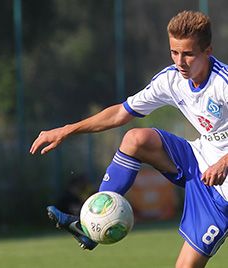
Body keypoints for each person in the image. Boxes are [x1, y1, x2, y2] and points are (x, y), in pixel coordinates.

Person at [30, 10, 228, 268]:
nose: (181, 61)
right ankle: (91, 222)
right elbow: (120, 113)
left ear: (208, 51)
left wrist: (223, 162)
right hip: (199, 162)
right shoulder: (171, 80)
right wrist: (67, 129)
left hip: (222, 189)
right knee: (136, 139)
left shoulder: (222, 83)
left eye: (188, 54)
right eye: (174, 52)